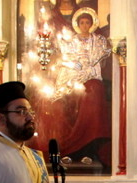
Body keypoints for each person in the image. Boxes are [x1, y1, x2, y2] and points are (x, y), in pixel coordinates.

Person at [32, 7, 112, 169]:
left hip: (90, 78)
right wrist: (72, 67)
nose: (84, 25)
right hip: (72, 79)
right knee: (58, 106)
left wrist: (87, 69)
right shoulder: (71, 41)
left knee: (93, 94)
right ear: (77, 24)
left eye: (87, 22)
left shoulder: (97, 41)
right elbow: (65, 60)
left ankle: (88, 150)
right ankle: (66, 151)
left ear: (92, 24)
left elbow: (99, 59)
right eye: (82, 22)